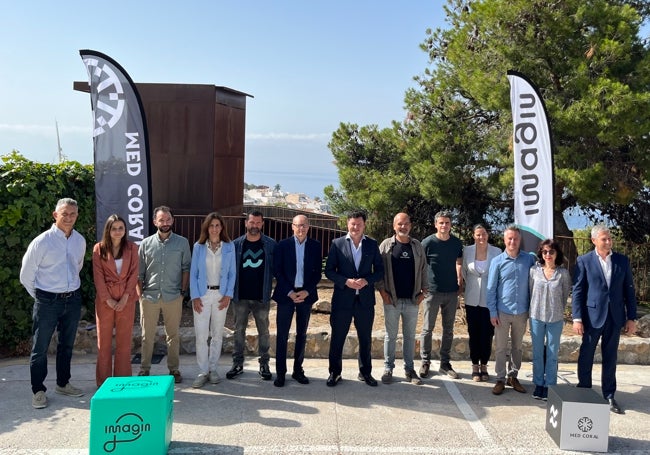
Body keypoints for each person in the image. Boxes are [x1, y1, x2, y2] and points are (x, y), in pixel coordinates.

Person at [20, 198, 86, 409]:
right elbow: (26, 275)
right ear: (55, 215)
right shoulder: (42, 241)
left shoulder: (79, 241)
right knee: (40, 348)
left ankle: (63, 383)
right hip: (47, 300)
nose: (68, 218)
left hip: (72, 299)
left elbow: (78, 267)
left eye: (72, 214)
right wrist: (41, 297)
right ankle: (38, 390)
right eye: (64, 214)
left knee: (66, 345)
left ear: (77, 216)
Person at [572, 225, 637, 414]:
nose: (608, 242)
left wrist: (631, 317)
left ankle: (609, 396)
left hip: (615, 317)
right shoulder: (584, 261)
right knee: (586, 355)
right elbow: (578, 291)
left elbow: (629, 291)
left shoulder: (622, 261)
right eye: (604, 239)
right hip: (592, 318)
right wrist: (577, 318)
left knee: (611, 358)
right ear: (594, 241)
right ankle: (584, 392)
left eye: (609, 238)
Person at [325, 211, 384, 387]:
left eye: (358, 224)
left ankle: (365, 373)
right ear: (347, 225)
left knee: (365, 338)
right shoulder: (337, 244)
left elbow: (380, 271)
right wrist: (346, 282)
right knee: (337, 338)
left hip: (364, 301)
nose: (355, 227)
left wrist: (367, 280)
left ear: (364, 225)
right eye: (352, 224)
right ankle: (334, 373)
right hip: (342, 301)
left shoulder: (372, 244)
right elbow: (329, 271)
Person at [137, 206, 191, 383]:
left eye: (168, 219)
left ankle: (174, 370)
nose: (165, 223)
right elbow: (139, 274)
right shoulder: (145, 244)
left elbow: (186, 269)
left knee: (173, 335)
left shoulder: (182, 243)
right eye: (161, 220)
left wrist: (182, 293)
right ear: (155, 222)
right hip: (149, 297)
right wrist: (140, 296)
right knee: (147, 335)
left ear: (172, 220)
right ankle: (144, 369)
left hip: (173, 296)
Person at [376, 213, 427, 385]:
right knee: (390, 336)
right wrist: (383, 293)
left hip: (413, 300)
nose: (403, 227)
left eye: (406, 224)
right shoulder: (386, 245)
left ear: (410, 226)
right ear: (394, 226)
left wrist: (424, 292)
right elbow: (378, 271)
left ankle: (409, 369)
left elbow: (424, 270)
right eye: (400, 224)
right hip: (392, 300)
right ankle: (388, 368)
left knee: (410, 336)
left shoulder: (417, 246)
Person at [272, 214, 322, 387]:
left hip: (305, 296)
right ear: (292, 226)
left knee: (302, 334)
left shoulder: (315, 246)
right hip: (287, 295)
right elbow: (277, 271)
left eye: (304, 226)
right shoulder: (282, 245)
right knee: (282, 335)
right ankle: (280, 373)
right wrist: (290, 292)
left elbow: (317, 273)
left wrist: (307, 291)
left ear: (309, 227)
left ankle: (297, 370)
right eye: (298, 226)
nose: (301, 229)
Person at [226, 210, 277, 381]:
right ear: (246, 223)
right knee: (238, 330)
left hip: (261, 297)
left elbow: (277, 270)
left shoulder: (271, 245)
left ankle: (264, 364)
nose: (254, 226)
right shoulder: (235, 245)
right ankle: (237, 364)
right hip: (240, 296)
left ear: (262, 224)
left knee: (263, 331)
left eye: (258, 223)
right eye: (252, 222)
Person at [486, 225, 536, 395]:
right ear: (504, 240)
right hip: (502, 312)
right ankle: (500, 379)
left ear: (519, 240)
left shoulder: (529, 260)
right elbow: (491, 288)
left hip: (521, 312)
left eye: (515, 238)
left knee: (517, 347)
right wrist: (492, 312)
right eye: (509, 238)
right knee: (500, 347)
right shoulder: (497, 262)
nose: (512, 241)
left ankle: (512, 376)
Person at [189, 212, 236, 388]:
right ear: (206, 228)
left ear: (222, 227)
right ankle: (203, 371)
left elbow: (232, 274)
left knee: (217, 334)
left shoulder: (229, 247)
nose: (214, 229)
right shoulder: (199, 247)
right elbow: (193, 274)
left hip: (221, 296)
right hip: (202, 295)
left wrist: (228, 295)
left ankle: (213, 369)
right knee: (201, 335)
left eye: (217, 225)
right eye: (211, 226)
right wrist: (194, 296)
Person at [92, 214, 139, 387]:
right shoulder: (99, 248)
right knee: (103, 344)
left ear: (125, 230)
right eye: (114, 228)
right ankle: (103, 384)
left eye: (121, 228)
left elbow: (134, 275)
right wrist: (108, 300)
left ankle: (122, 382)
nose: (117, 231)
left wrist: (126, 297)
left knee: (124, 343)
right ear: (108, 230)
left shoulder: (132, 248)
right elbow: (98, 277)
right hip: (106, 301)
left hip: (126, 299)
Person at [419, 211, 464, 379]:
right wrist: (422, 287)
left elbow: (459, 261)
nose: (444, 226)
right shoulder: (428, 243)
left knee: (448, 329)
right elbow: (421, 265)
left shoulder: (456, 243)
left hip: (451, 292)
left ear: (450, 225)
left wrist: (460, 280)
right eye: (441, 223)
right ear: (435, 224)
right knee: (427, 329)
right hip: (432, 292)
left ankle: (445, 363)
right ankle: (425, 361)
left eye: (447, 223)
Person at [529, 239, 571, 400]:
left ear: (556, 254)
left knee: (552, 354)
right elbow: (530, 291)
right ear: (541, 253)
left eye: (551, 252)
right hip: (536, 317)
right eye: (545, 252)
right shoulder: (534, 271)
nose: (548, 254)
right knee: (538, 352)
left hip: (555, 318)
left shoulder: (563, 273)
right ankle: (539, 384)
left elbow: (565, 294)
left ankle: (549, 385)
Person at [461, 224, 502, 382]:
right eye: (478, 234)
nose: (481, 237)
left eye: (483, 234)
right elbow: (464, 271)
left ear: (487, 235)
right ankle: (474, 367)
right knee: (474, 333)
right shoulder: (467, 251)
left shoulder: (497, 252)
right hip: (471, 299)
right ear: (473, 236)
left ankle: (484, 365)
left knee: (487, 334)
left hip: (489, 300)